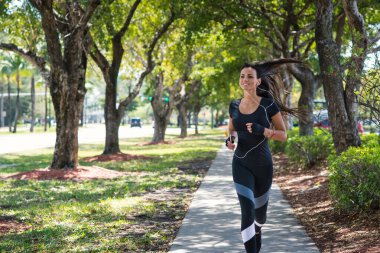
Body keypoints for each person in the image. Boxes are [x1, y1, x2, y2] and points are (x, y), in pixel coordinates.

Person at [226, 59, 301, 253]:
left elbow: (283, 135)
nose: (245, 79)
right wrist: (229, 140)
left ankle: (257, 230)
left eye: (250, 76)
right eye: (242, 76)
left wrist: (263, 130)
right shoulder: (234, 105)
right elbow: (231, 130)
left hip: (263, 166)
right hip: (240, 163)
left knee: (260, 217)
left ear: (258, 81)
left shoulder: (268, 106)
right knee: (247, 210)